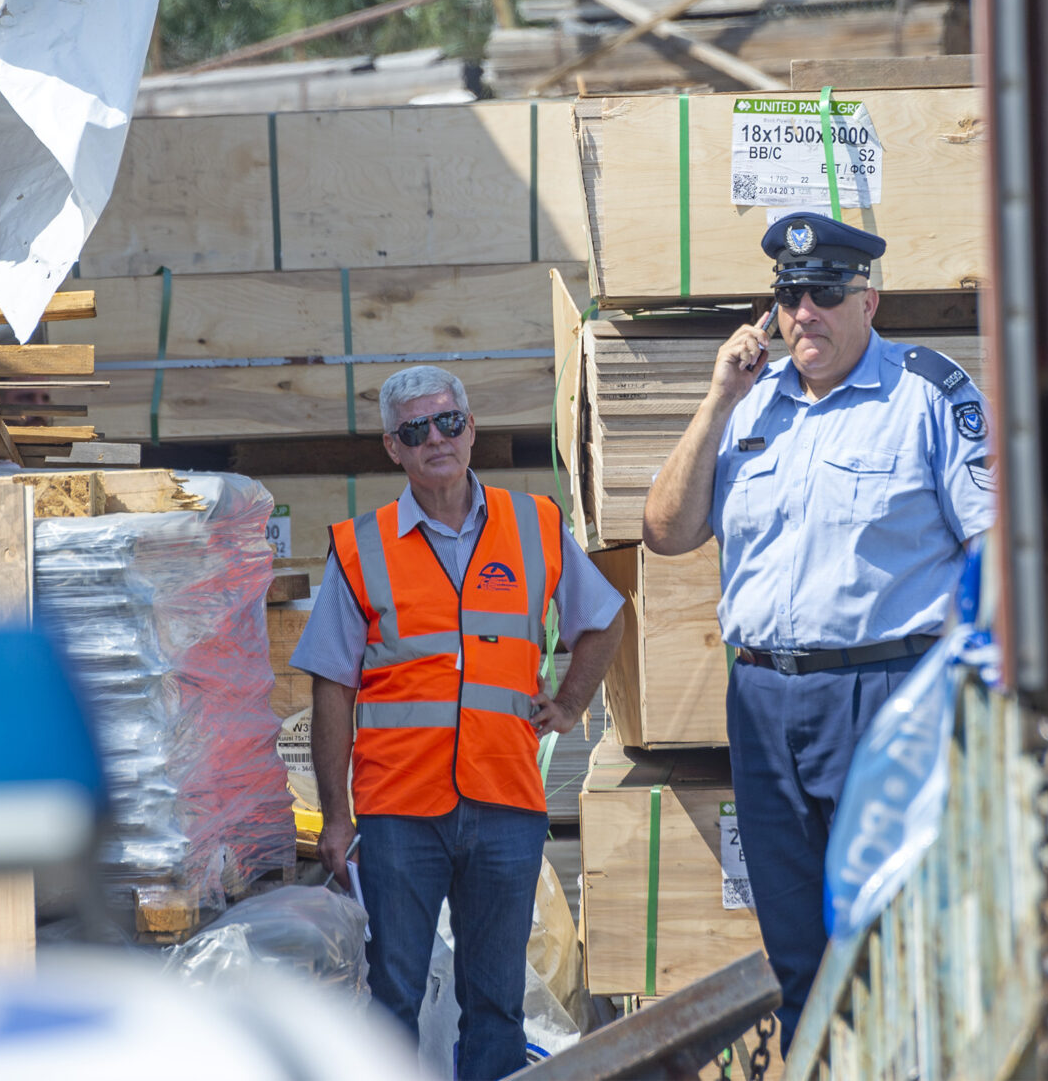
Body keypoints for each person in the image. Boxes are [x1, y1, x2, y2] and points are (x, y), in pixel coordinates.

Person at [640, 212, 995, 1047]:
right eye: (790, 295)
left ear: (868, 299)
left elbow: (998, 547)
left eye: (825, 292)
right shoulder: (751, 404)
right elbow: (664, 528)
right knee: (797, 950)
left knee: (897, 942)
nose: (806, 312)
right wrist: (718, 396)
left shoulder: (928, 393)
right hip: (765, 703)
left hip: (888, 699)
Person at [292, 364, 625, 1079]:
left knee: (496, 1002)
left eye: (448, 421)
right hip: (398, 813)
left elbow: (602, 619)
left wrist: (567, 703)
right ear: (393, 447)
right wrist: (335, 817)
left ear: (471, 428)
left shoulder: (533, 523)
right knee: (392, 998)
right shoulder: (361, 546)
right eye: (416, 430)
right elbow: (330, 688)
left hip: (504, 803)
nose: (436, 439)